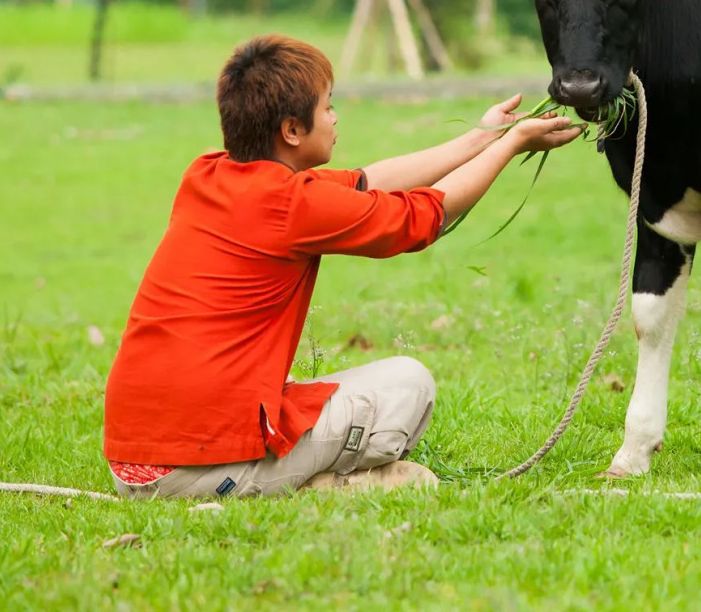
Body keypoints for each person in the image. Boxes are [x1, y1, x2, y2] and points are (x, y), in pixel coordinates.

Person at [101, 34, 579, 498]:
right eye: (327, 106)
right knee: (408, 387)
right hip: (194, 469)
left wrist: (481, 137)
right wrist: (510, 144)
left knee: (333, 392)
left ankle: (278, 473)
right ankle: (321, 485)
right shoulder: (292, 206)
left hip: (132, 460)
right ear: (291, 130)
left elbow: (369, 182)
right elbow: (425, 215)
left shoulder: (206, 174)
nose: (334, 117)